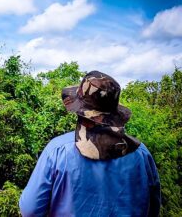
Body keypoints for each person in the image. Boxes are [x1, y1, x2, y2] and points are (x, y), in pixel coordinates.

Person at [19, 71, 161, 217]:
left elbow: (30, 210)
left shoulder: (57, 150)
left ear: (79, 110)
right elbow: (153, 208)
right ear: (114, 114)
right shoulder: (141, 153)